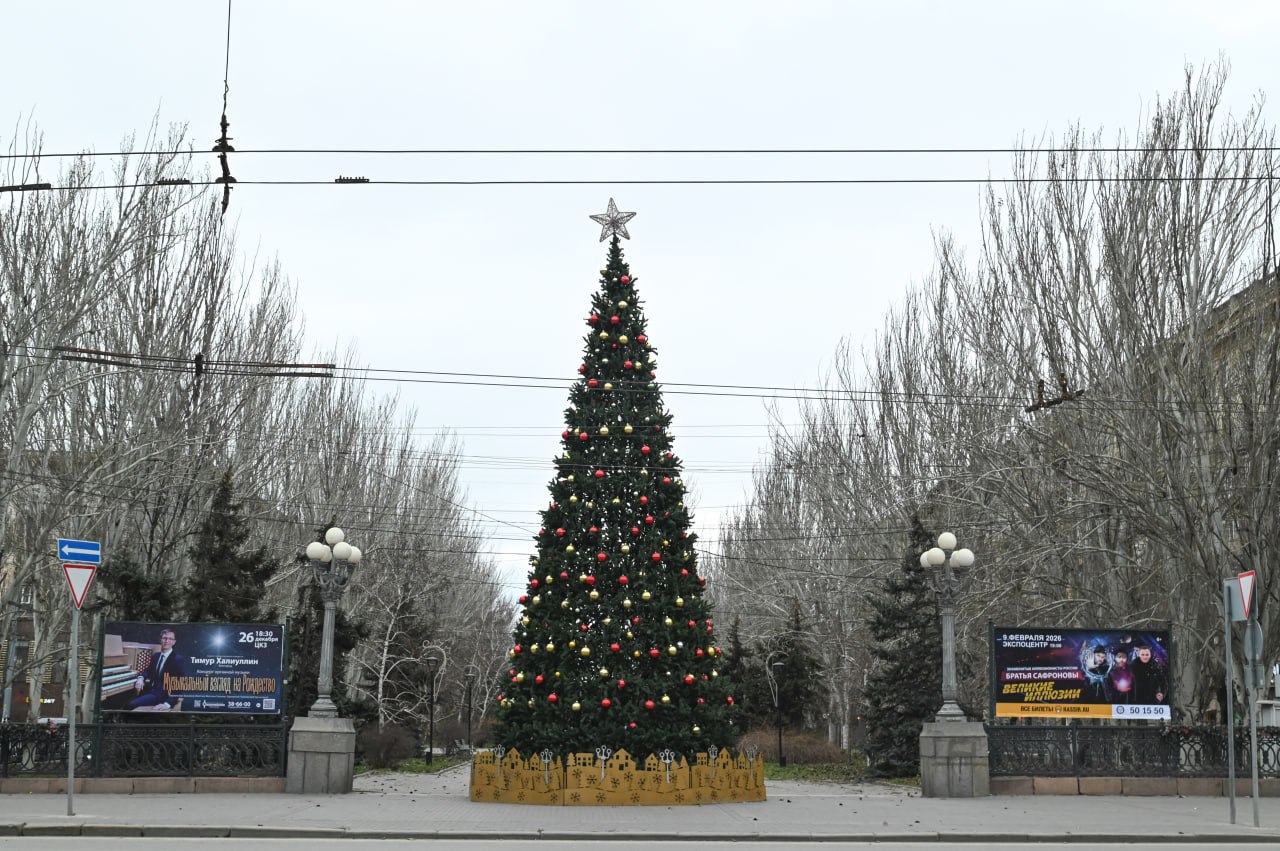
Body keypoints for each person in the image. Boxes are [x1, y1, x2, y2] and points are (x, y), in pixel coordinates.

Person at [128, 628, 191, 711]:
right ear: (160, 640)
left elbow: (180, 685)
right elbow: (148, 671)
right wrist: (141, 678)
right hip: (150, 690)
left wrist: (167, 704)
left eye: (170, 639)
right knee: (126, 699)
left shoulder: (178, 659)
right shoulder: (156, 656)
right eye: (164, 638)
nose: (167, 641)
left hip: (163, 696)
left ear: (174, 642)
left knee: (130, 705)